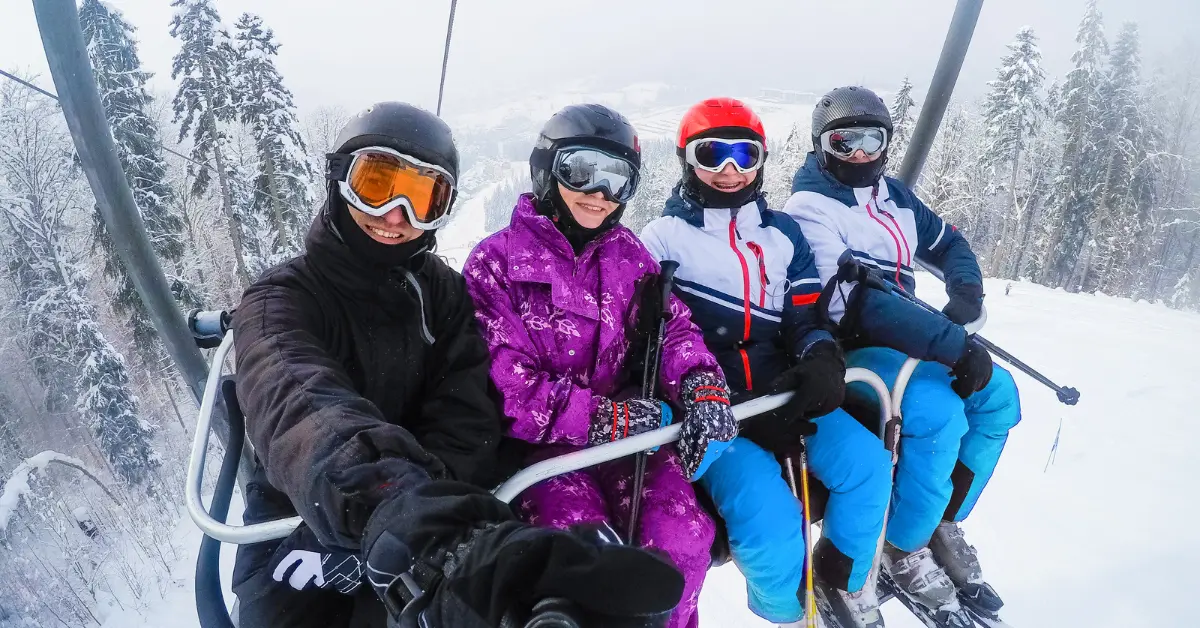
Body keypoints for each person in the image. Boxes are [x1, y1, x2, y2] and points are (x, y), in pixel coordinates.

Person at [230, 101, 688, 628]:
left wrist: (426, 515)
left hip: (426, 513)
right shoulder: (280, 303)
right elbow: (302, 409)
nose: (397, 214)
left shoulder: (440, 291)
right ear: (339, 180)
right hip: (302, 514)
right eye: (377, 186)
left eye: (424, 196)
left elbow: (468, 417)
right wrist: (389, 510)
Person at [462, 103, 739, 628]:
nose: (599, 193)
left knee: (682, 538)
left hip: (624, 443)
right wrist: (606, 417)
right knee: (582, 558)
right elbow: (508, 387)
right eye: (581, 171)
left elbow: (672, 327)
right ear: (548, 169)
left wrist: (701, 383)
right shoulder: (496, 264)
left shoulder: (628, 255)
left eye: (617, 179)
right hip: (539, 453)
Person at [640, 97, 892, 627]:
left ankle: (843, 583)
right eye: (713, 155)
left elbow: (804, 317)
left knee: (869, 466)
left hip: (784, 397)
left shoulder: (783, 234)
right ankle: (790, 614)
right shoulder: (663, 241)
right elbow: (660, 345)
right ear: (688, 160)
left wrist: (820, 358)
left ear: (761, 160)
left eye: (744, 155)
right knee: (773, 525)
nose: (730, 171)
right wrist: (733, 405)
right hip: (714, 414)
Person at [783, 86, 1022, 624]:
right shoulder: (810, 208)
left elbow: (948, 241)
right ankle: (903, 547)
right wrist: (952, 346)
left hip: (913, 337)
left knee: (1001, 398)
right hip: (854, 347)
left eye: (873, 139)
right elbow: (856, 306)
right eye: (845, 142)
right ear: (823, 146)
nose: (861, 153)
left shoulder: (894, 196)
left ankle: (936, 520)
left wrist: (966, 288)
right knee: (940, 414)